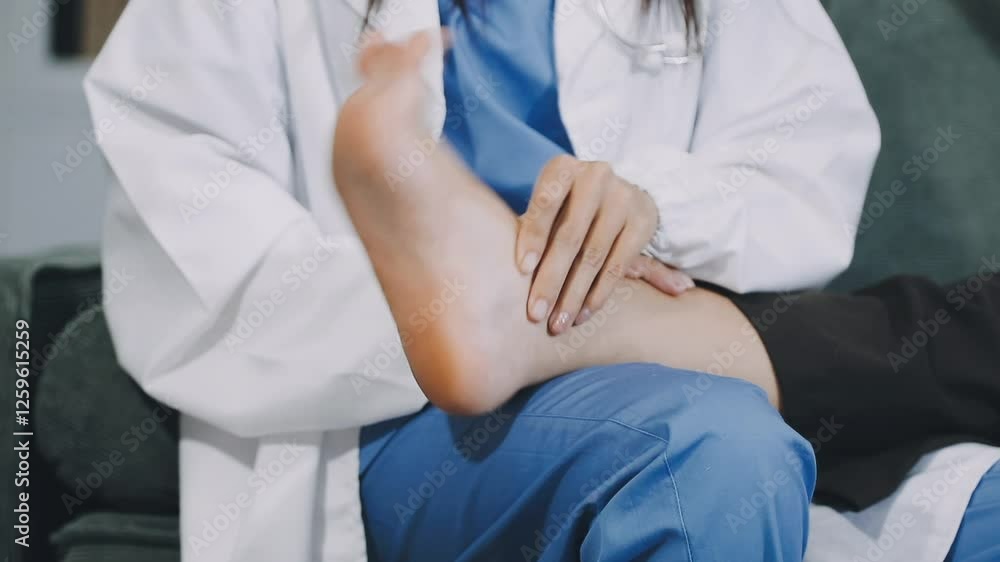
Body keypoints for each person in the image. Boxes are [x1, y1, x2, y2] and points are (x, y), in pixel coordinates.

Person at [85, 0, 880, 560]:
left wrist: (656, 205)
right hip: (382, 409)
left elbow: (807, 161)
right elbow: (194, 231)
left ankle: (514, 311)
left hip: (647, 359)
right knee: (711, 449)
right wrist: (424, 306)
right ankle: (493, 305)